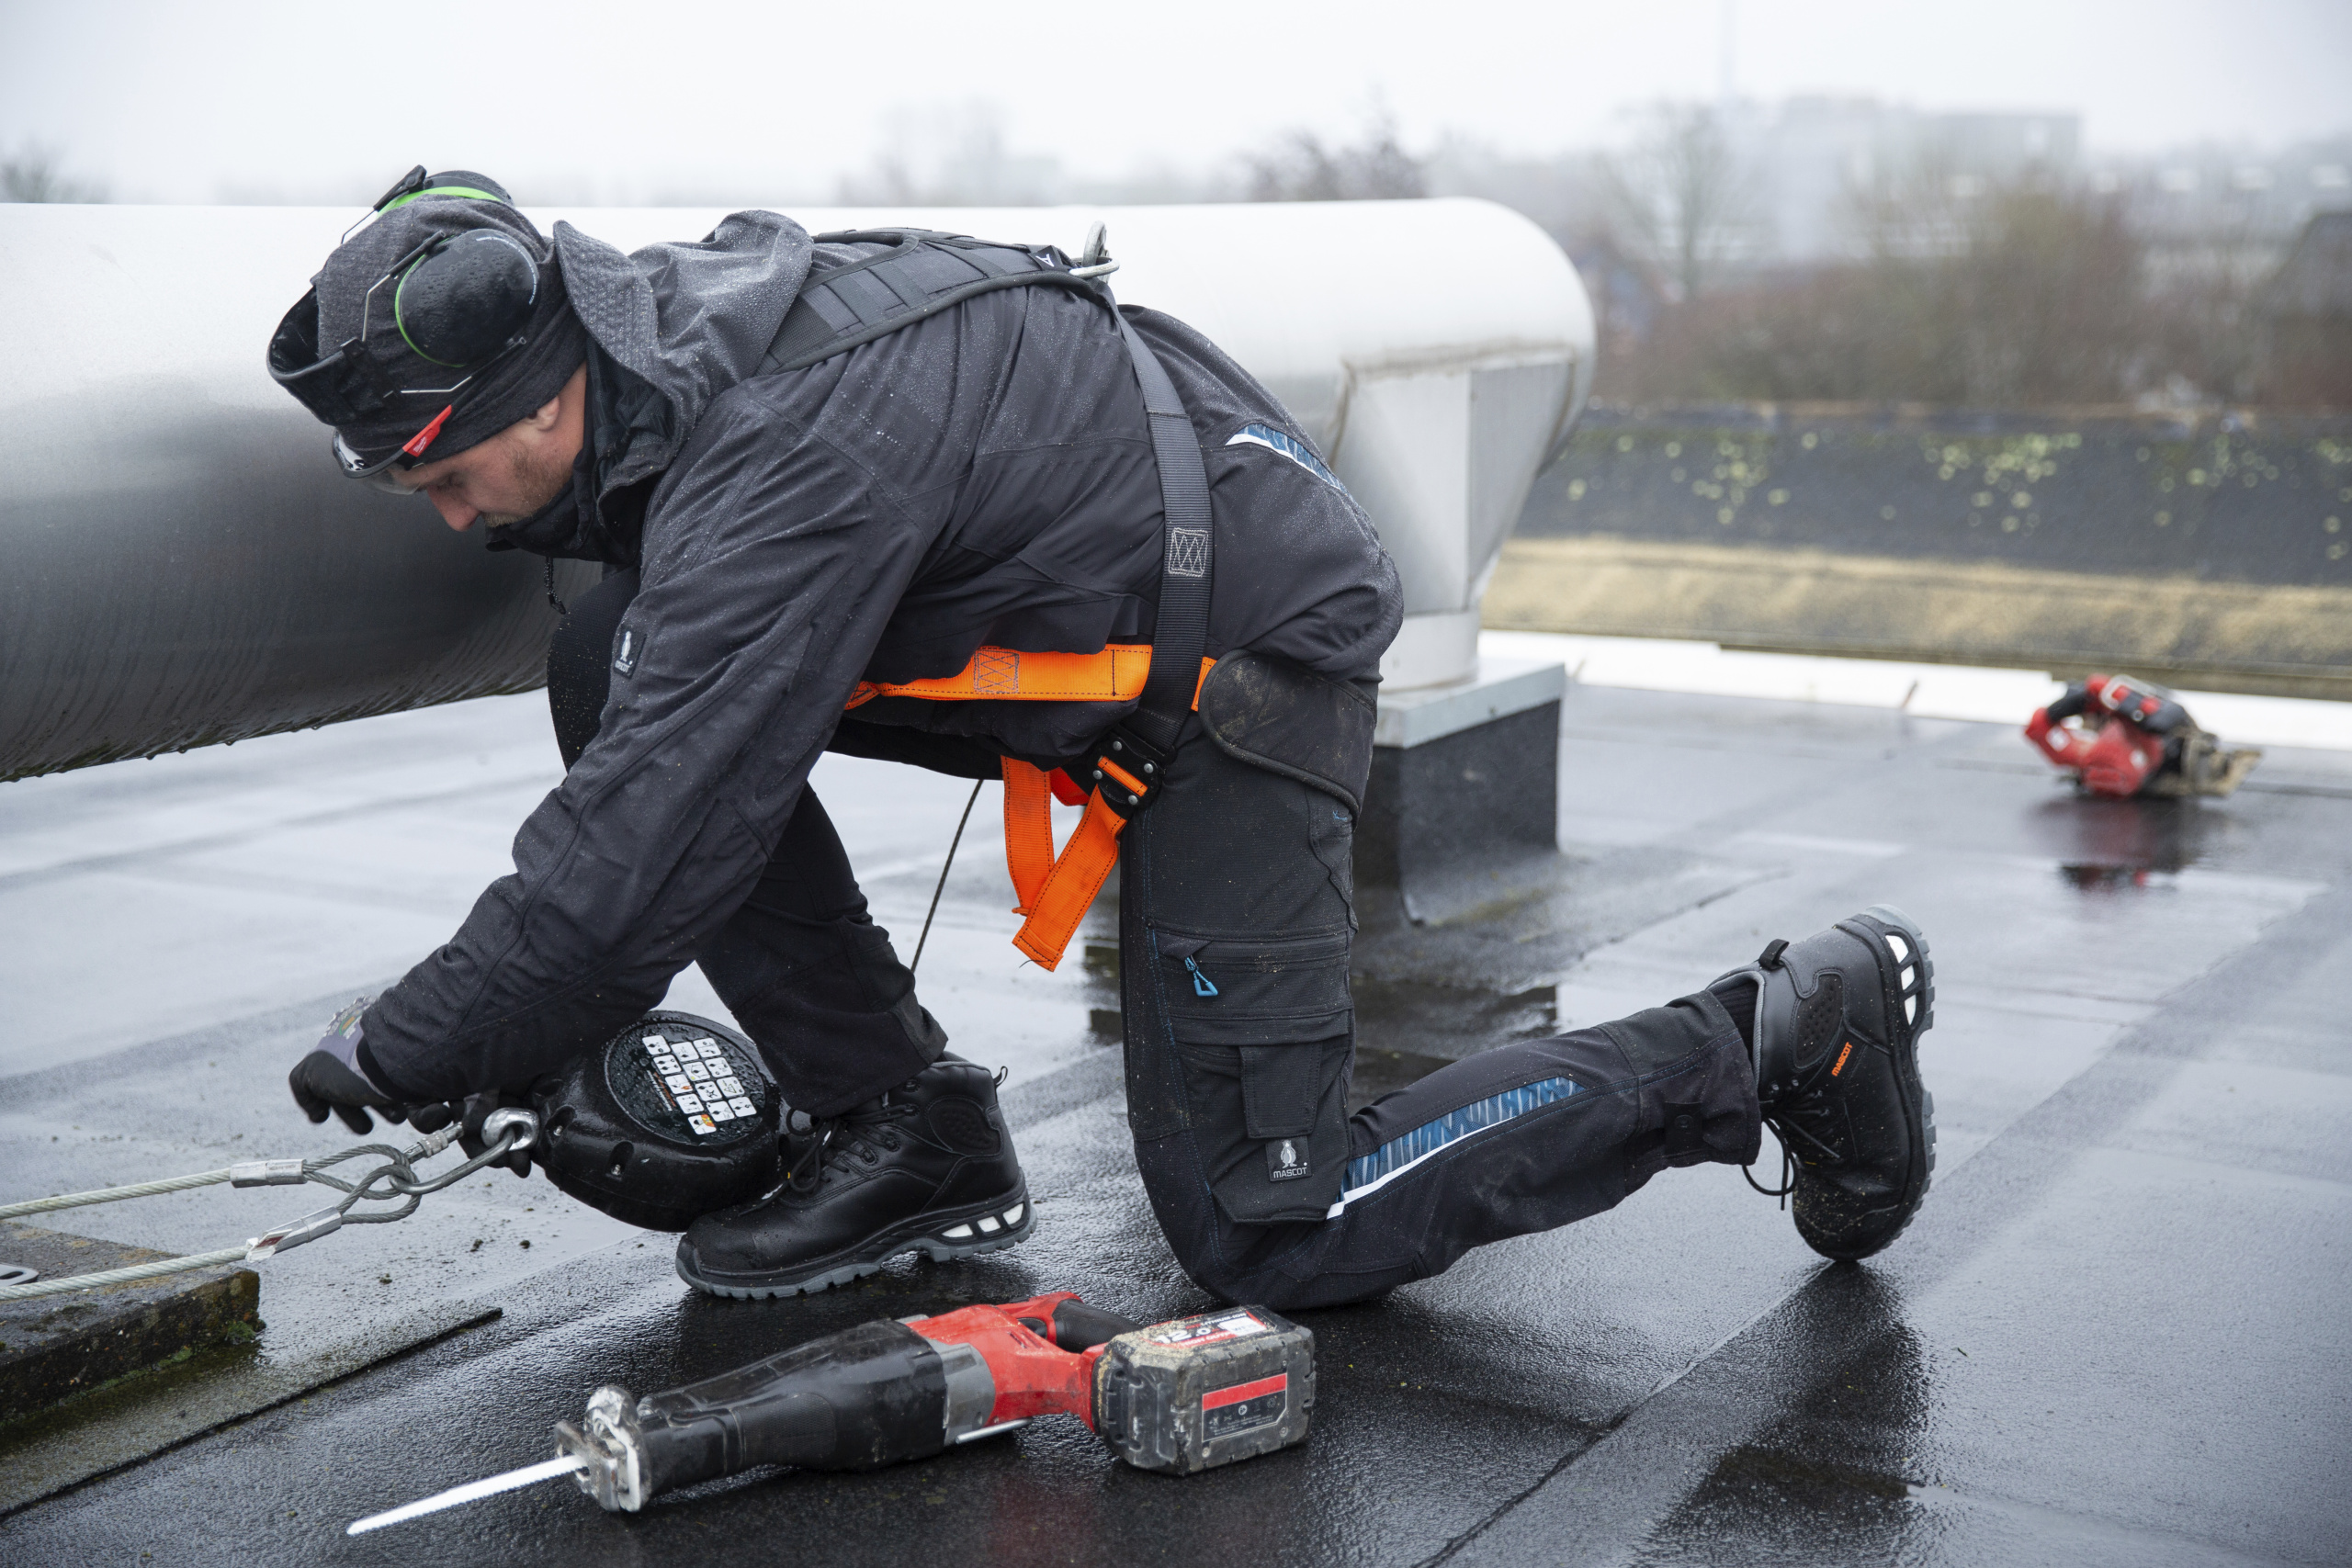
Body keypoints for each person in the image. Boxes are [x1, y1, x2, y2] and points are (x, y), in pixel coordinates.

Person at [271, 170, 1938, 1308]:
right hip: (1091, 615)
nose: (440, 514)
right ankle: (907, 1127)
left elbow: (648, 843)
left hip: (1247, 677)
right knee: (612, 655)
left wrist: (424, 1039)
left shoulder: (780, 445)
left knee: (1269, 1230)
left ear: (540, 384)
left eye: (439, 469)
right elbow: (670, 750)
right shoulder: (670, 350)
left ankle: (1781, 1036)